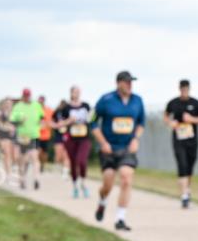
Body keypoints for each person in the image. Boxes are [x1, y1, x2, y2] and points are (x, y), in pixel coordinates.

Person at [91, 71, 145, 231]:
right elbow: (92, 122)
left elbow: (141, 123)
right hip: (108, 149)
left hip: (127, 148)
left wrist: (136, 138)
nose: (130, 85)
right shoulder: (105, 100)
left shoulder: (137, 101)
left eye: (131, 82)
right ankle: (102, 202)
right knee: (107, 183)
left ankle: (120, 219)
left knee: (126, 178)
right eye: (127, 82)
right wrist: (102, 142)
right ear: (118, 83)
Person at [165, 79, 198, 208]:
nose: (184, 91)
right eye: (182, 88)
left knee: (189, 166)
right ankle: (184, 195)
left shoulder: (196, 103)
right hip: (178, 140)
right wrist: (170, 123)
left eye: (186, 88)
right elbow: (166, 115)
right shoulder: (173, 103)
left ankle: (187, 189)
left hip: (192, 140)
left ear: (189, 89)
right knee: (182, 165)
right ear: (179, 89)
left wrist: (192, 119)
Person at [60, 86, 92, 198]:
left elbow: (92, 118)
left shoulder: (86, 106)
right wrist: (69, 121)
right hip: (71, 139)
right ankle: (75, 186)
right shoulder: (66, 108)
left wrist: (88, 119)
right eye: (75, 92)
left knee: (82, 160)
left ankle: (83, 182)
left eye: (79, 91)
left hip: (84, 138)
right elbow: (61, 124)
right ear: (71, 93)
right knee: (73, 162)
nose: (77, 94)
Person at [10, 88, 45, 190]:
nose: (27, 98)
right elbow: (12, 121)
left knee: (35, 157)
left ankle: (36, 179)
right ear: (22, 96)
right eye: (25, 96)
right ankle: (22, 179)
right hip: (22, 136)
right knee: (23, 159)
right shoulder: (18, 107)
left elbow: (42, 118)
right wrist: (19, 121)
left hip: (34, 135)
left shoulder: (37, 105)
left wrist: (41, 125)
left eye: (28, 96)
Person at [0, 98, 17, 179]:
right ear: (3, 104)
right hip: (3, 134)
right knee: (6, 153)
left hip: (13, 134)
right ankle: (8, 173)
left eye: (10, 103)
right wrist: (5, 128)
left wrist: (13, 128)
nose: (8, 105)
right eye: (6, 103)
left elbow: (17, 124)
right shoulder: (0, 113)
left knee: (14, 154)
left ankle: (13, 164)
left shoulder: (15, 113)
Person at [51, 99, 71, 179]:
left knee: (66, 154)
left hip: (67, 134)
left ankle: (65, 172)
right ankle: (58, 166)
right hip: (58, 135)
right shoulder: (56, 112)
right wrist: (55, 125)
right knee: (58, 154)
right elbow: (51, 122)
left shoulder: (69, 112)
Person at [37, 95, 53, 173]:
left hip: (46, 135)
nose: (40, 103)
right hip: (36, 134)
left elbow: (53, 120)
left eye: (42, 101)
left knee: (44, 153)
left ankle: (42, 164)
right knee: (38, 151)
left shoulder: (49, 110)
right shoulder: (35, 110)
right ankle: (38, 163)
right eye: (39, 101)